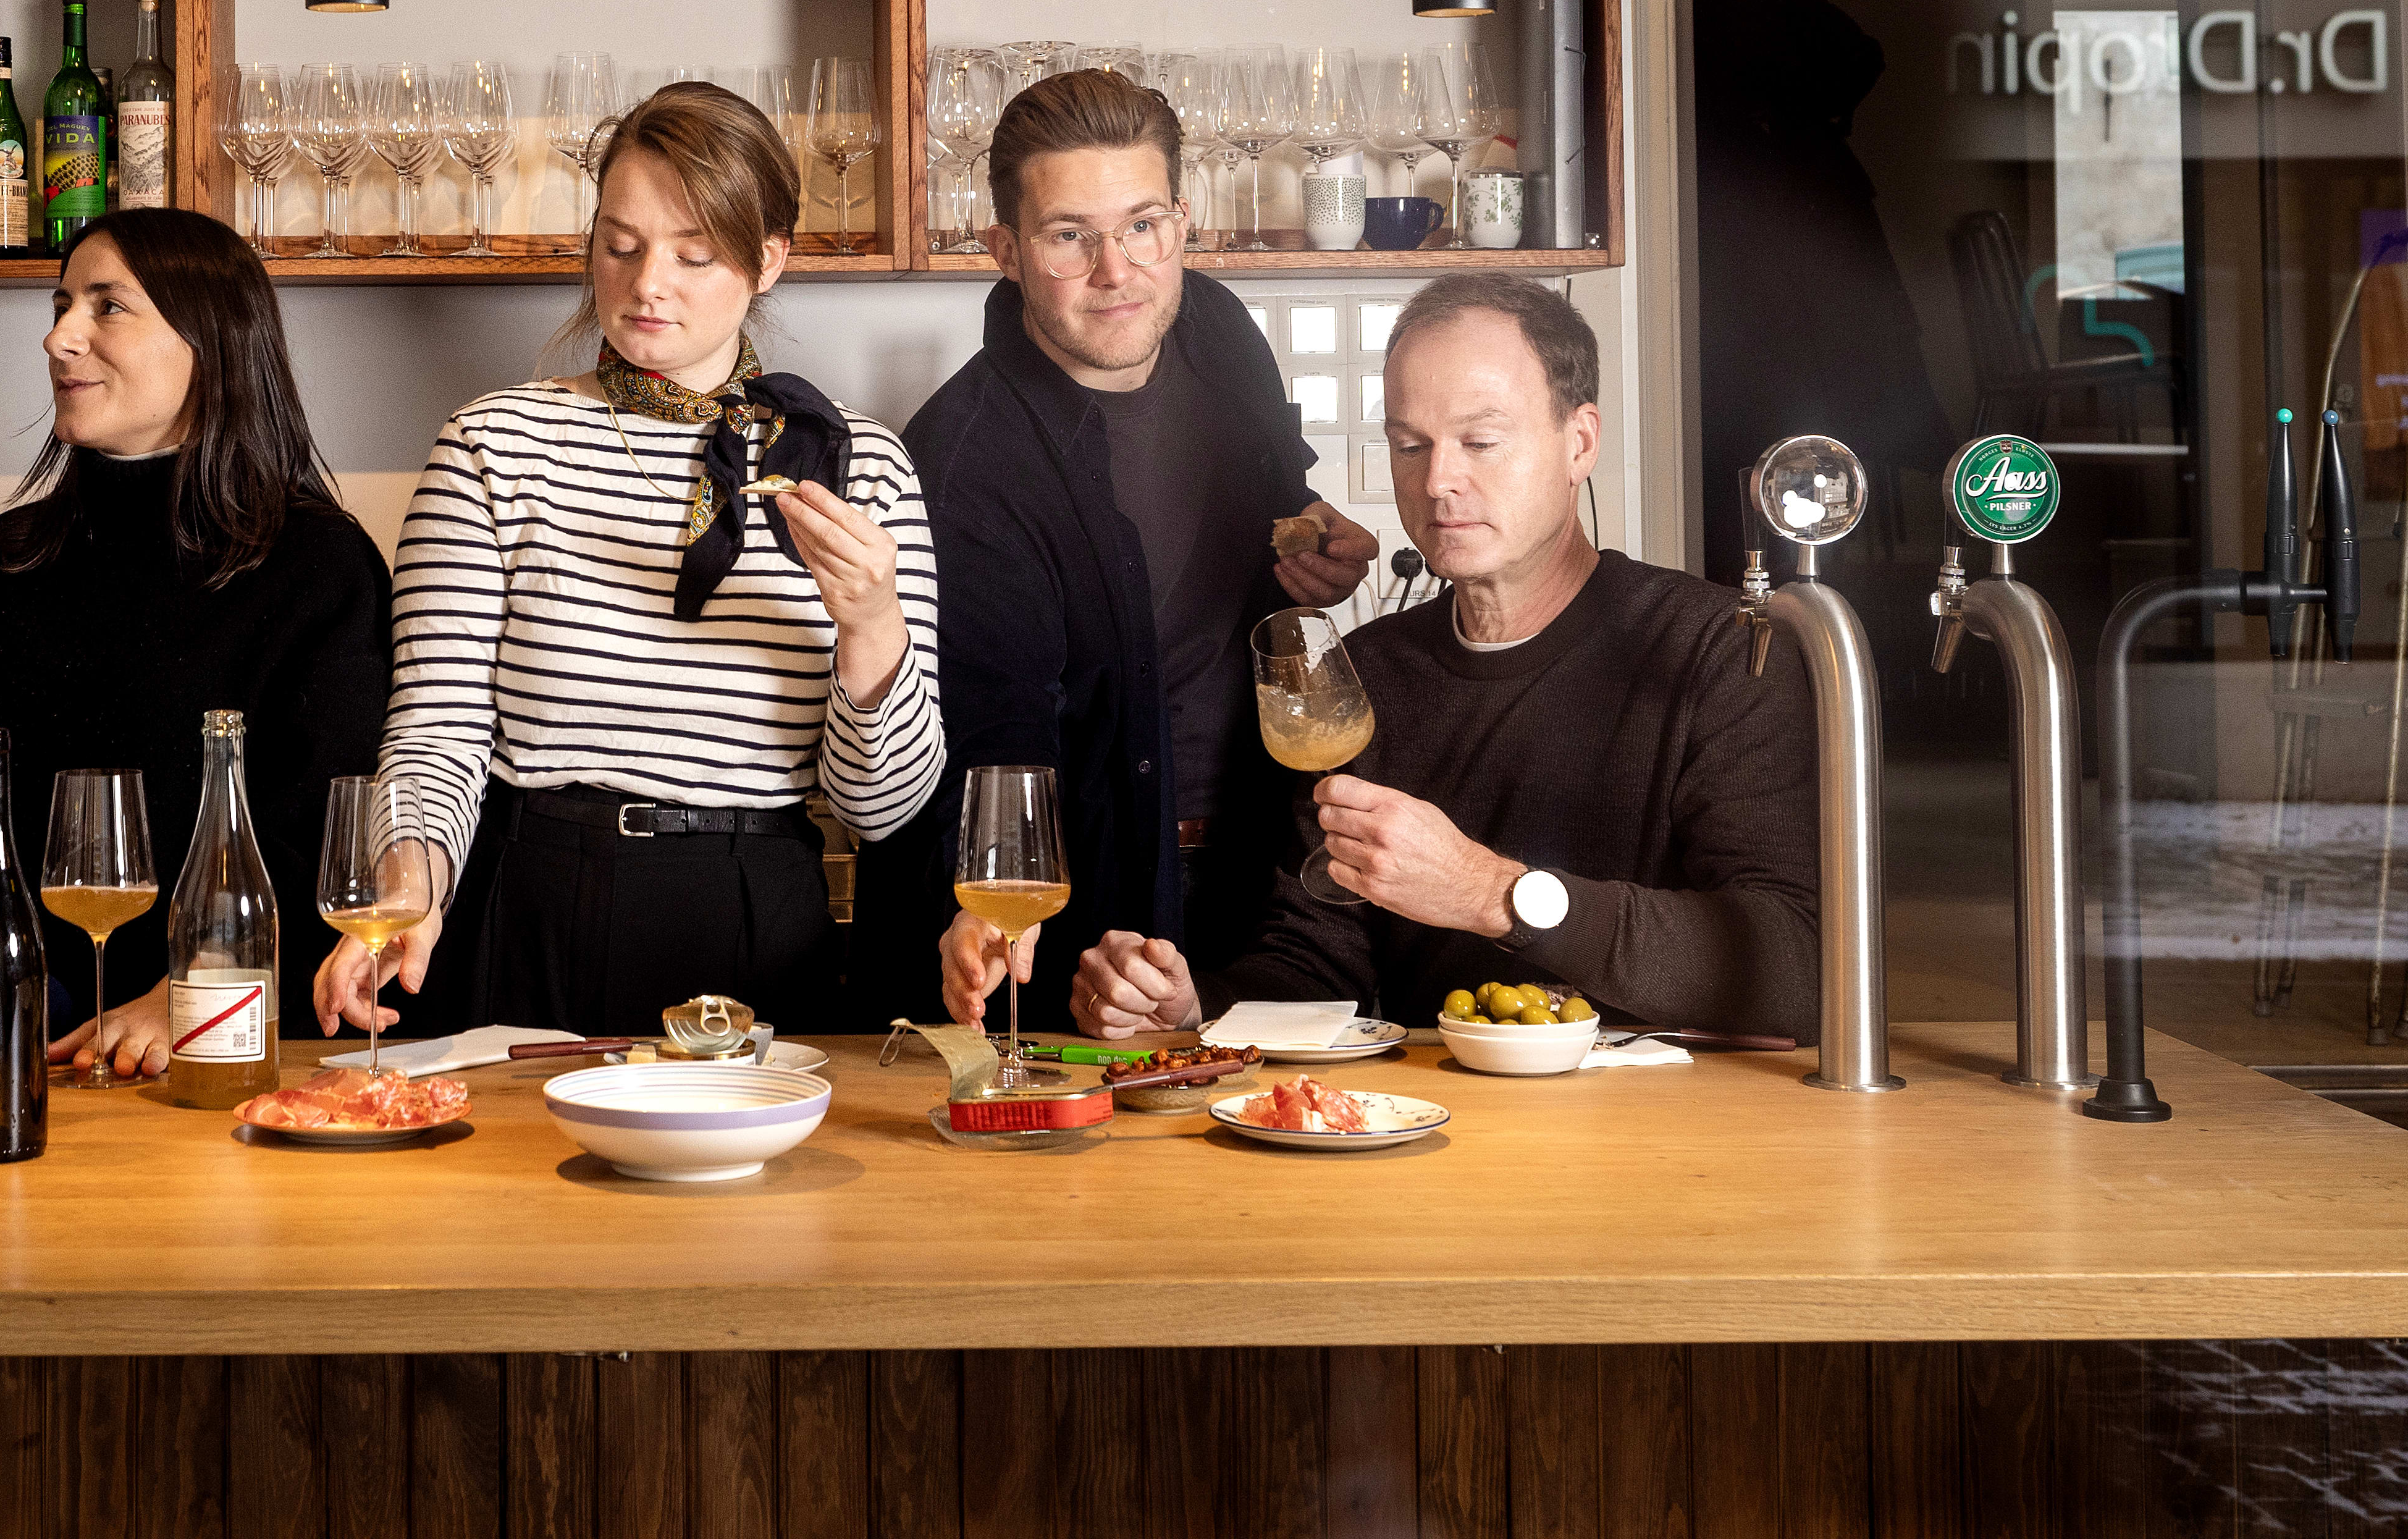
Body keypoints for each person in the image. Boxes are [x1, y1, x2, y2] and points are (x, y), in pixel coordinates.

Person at [334, 82, 945, 1042]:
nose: (646, 282)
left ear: (767, 260)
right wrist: (407, 892)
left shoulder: (858, 463)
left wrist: (874, 627)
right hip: (537, 896)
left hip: (758, 913)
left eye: (693, 254)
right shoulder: (496, 444)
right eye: (619, 244)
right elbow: (434, 729)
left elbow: (882, 806)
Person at [1064, 273, 1821, 1045]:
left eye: (1481, 442)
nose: (1437, 481)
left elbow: (1797, 965)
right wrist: (1196, 1009)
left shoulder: (1722, 647)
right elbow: (1321, 967)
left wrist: (1493, 893)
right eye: (1409, 444)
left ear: (1580, 442)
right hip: (1427, 1133)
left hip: (1668, 1140)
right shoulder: (1363, 678)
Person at [888, 67, 1373, 1027]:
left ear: (1182, 225)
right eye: (1071, 237)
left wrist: (1322, 538)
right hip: (1087, 912)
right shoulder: (959, 460)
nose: (1118, 272)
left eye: (1142, 226)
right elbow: (989, 743)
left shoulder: (1219, 331)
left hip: (1268, 878)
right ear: (1007, 250)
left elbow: (1271, 511)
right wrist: (991, 918)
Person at [0, 208, 392, 1074]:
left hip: (231, 1047)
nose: (59, 338)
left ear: (211, 342)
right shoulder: (12, 557)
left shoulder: (321, 564)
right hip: (18, 1045)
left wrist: (193, 991)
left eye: (107, 307)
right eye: (60, 307)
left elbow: (325, 840)